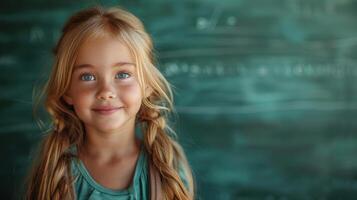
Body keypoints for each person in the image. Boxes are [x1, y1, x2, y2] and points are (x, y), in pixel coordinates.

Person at [24, 5, 195, 200]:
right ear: (67, 91)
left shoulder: (168, 166)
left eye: (123, 74)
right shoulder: (53, 170)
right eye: (87, 77)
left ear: (147, 85)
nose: (106, 92)